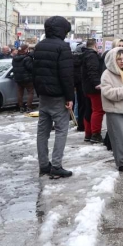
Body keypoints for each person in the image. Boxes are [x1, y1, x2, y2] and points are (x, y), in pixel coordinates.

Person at [33, 16, 75, 179]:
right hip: (58, 96)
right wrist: (69, 97)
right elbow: (66, 75)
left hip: (43, 96)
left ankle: (44, 165)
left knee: (42, 131)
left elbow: (35, 72)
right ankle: (56, 165)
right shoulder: (63, 47)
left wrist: (39, 91)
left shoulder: (39, 46)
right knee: (61, 130)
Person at [100, 47, 123, 173]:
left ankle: (122, 157)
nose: (122, 61)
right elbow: (108, 93)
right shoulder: (106, 75)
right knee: (119, 136)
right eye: (119, 59)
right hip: (114, 110)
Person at [79, 43, 104, 144]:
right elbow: (93, 71)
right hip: (93, 88)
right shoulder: (92, 56)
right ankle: (95, 134)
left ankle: (88, 134)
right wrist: (98, 84)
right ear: (95, 46)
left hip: (86, 87)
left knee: (89, 110)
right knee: (98, 110)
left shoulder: (85, 55)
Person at [12, 45, 35, 112]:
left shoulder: (14, 58)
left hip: (18, 78)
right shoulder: (27, 58)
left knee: (20, 93)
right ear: (25, 50)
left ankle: (21, 107)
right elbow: (30, 68)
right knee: (30, 92)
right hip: (27, 78)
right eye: (27, 49)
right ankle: (29, 107)